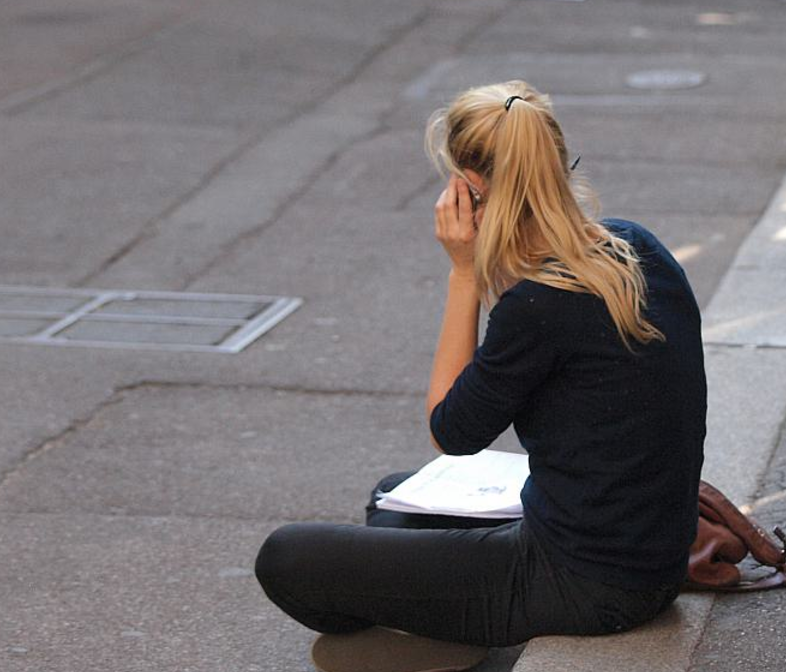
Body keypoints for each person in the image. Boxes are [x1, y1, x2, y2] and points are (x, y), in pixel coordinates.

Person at [253, 80, 707, 672]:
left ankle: (441, 629)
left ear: (470, 190)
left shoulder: (540, 303)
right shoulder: (635, 244)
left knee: (287, 558)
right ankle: (442, 621)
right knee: (393, 499)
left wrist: (464, 274)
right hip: (650, 560)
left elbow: (451, 431)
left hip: (587, 583)